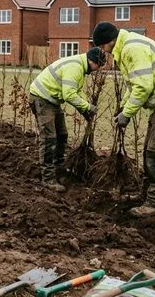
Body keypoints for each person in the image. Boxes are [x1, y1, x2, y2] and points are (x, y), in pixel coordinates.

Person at [92, 22, 155, 217]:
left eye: (102, 46)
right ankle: (148, 196)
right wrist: (123, 107)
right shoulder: (127, 45)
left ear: (110, 41)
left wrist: (126, 114)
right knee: (149, 151)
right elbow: (134, 86)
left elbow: (143, 87)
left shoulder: (132, 49)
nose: (104, 51)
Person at [29, 47, 105, 192]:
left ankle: (59, 168)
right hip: (42, 99)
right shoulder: (75, 67)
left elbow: (75, 92)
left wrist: (83, 110)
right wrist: (88, 107)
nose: (98, 69)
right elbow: (69, 95)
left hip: (52, 100)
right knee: (49, 138)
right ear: (91, 60)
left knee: (62, 135)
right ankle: (48, 178)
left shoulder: (80, 67)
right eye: (98, 65)